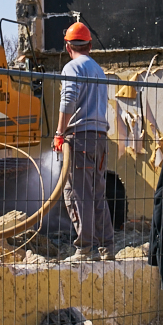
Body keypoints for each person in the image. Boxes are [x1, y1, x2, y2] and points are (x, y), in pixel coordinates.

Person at [53, 21, 116, 261]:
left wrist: (60, 133)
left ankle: (85, 249)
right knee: (98, 192)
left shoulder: (72, 68)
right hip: (100, 139)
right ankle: (107, 247)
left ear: (68, 47)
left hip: (80, 139)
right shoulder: (98, 70)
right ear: (89, 45)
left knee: (78, 193)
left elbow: (68, 102)